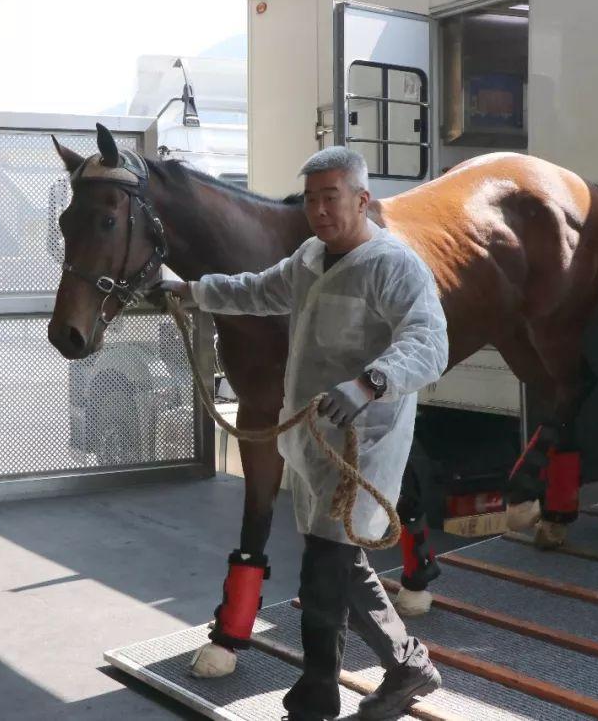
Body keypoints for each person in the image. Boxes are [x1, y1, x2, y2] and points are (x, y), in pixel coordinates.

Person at [154, 147, 449, 721]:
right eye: (311, 198)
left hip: (364, 443)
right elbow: (260, 290)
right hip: (314, 439)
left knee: (322, 575)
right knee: (335, 563)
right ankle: (408, 666)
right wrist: (193, 290)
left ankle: (316, 698)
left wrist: (371, 382)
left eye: (330, 197)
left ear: (361, 199)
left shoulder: (393, 264)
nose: (318, 210)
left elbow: (429, 341)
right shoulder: (312, 256)